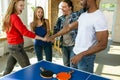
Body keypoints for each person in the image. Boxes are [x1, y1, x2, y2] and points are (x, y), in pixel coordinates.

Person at [49, 0, 108, 73]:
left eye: (81, 0)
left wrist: (81, 55)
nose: (80, 2)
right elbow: (69, 28)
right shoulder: (83, 15)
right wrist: (53, 36)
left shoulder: (99, 17)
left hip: (86, 58)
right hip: (74, 53)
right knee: (72, 76)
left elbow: (103, 44)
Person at [2, 0, 46, 75]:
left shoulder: (9, 16)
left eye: (23, 5)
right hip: (16, 48)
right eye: (21, 5)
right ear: (15, 5)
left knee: (8, 69)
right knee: (28, 68)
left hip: (12, 46)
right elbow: (25, 32)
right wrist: (42, 38)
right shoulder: (14, 17)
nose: (23, 8)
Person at [53, 0, 85, 67]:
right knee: (66, 65)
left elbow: (84, 9)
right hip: (64, 46)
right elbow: (56, 30)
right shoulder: (60, 18)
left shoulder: (76, 15)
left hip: (73, 46)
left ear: (70, 7)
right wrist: (51, 38)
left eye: (64, 7)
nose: (62, 9)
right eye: (61, 7)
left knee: (73, 65)